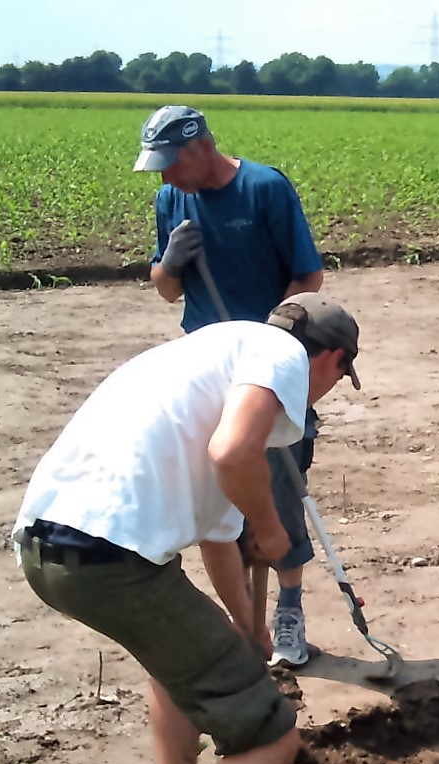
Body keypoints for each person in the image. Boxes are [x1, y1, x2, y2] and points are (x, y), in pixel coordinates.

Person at [13, 294, 362, 764]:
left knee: (176, 663)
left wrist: (247, 627)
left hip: (50, 543)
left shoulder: (213, 355)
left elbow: (212, 533)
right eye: (335, 377)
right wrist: (270, 530)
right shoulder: (281, 358)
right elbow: (233, 458)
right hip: (109, 555)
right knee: (269, 733)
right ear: (330, 359)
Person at [135, 104, 326, 669]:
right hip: (203, 370)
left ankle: (287, 607)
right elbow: (166, 290)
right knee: (220, 500)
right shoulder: (172, 199)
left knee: (278, 491)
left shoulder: (264, 188)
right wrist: (169, 264)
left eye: (171, 164)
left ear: (199, 148)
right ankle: (244, 630)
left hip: (265, 370)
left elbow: (308, 276)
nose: (165, 178)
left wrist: (269, 339)